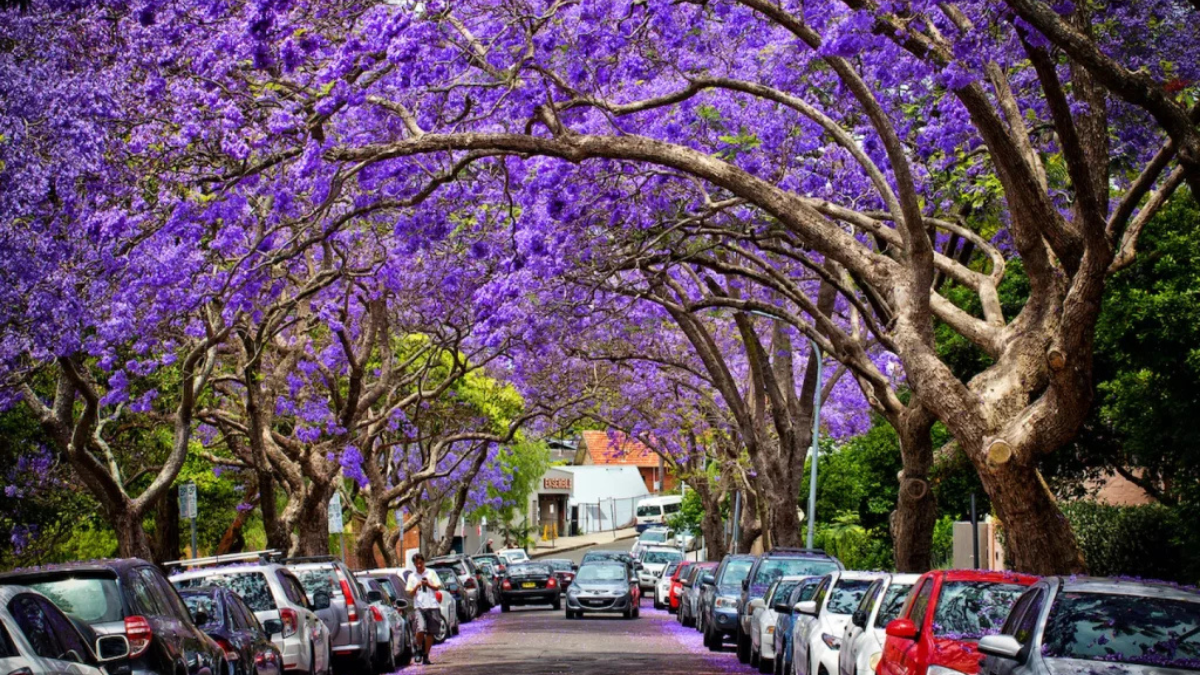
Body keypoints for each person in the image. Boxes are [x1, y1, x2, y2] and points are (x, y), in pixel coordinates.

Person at [405, 553, 443, 665]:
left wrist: (428, 584)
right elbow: (410, 594)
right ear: (414, 564)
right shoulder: (412, 577)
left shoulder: (431, 573)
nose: (419, 565)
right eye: (416, 564)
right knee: (420, 629)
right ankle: (418, 648)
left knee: (431, 632)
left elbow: (437, 587)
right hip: (419, 606)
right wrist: (417, 586)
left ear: (423, 562)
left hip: (432, 605)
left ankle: (426, 655)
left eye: (420, 563)